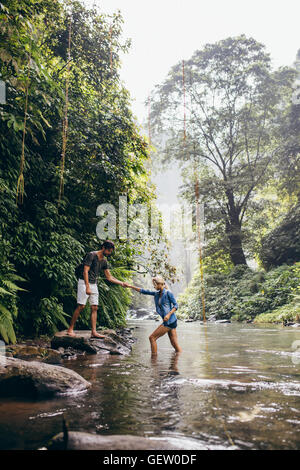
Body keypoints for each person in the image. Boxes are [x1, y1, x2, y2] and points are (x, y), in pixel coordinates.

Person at [67, 240, 127, 338]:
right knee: (81, 306)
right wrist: (87, 287)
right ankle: (70, 329)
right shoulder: (91, 255)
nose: (109, 253)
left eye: (111, 251)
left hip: (94, 284)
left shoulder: (104, 261)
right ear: (103, 248)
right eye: (108, 251)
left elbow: (109, 277)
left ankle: (94, 332)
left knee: (94, 307)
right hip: (84, 282)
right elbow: (85, 271)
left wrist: (122, 283)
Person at [124, 276, 182, 355]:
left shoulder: (168, 293)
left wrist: (168, 315)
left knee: (152, 338)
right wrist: (130, 286)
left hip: (169, 321)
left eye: (155, 285)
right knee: (174, 344)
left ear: (160, 284)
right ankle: (177, 363)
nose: (154, 287)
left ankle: (154, 362)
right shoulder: (156, 294)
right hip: (171, 321)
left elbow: (176, 306)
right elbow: (143, 291)